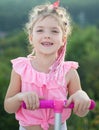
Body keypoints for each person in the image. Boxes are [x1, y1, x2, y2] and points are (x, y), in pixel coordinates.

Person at [4, 1, 91, 130]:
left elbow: (80, 112)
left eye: (54, 31)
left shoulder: (69, 72)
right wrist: (21, 97)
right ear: (31, 38)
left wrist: (82, 96)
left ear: (63, 39)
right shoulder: (21, 69)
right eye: (40, 30)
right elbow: (8, 107)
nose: (47, 35)